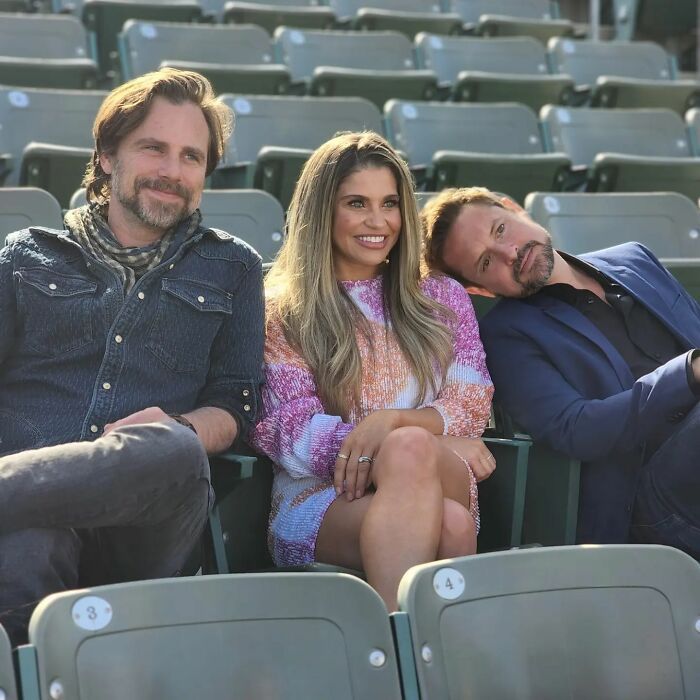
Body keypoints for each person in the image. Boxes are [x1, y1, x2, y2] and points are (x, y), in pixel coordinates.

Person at [0, 68, 264, 644]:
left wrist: (182, 428)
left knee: (175, 445)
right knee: (27, 541)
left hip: (144, 525)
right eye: (154, 148)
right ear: (105, 157)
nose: (172, 171)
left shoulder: (234, 267)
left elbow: (236, 404)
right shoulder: (25, 257)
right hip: (29, 518)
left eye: (191, 157)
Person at [251, 132, 494, 611]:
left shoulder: (442, 297)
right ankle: (422, 657)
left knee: (410, 447)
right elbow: (290, 431)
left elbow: (471, 405)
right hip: (321, 498)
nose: (378, 222)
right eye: (357, 204)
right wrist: (412, 447)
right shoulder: (281, 310)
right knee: (452, 523)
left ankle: (386, 649)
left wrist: (398, 427)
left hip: (434, 471)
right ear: (322, 212)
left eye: (390, 204)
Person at [421, 186, 700, 559]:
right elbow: (575, 428)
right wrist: (688, 374)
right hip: (651, 503)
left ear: (513, 207)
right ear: (480, 289)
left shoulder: (634, 258)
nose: (509, 254)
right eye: (486, 263)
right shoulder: (505, 336)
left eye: (500, 230)